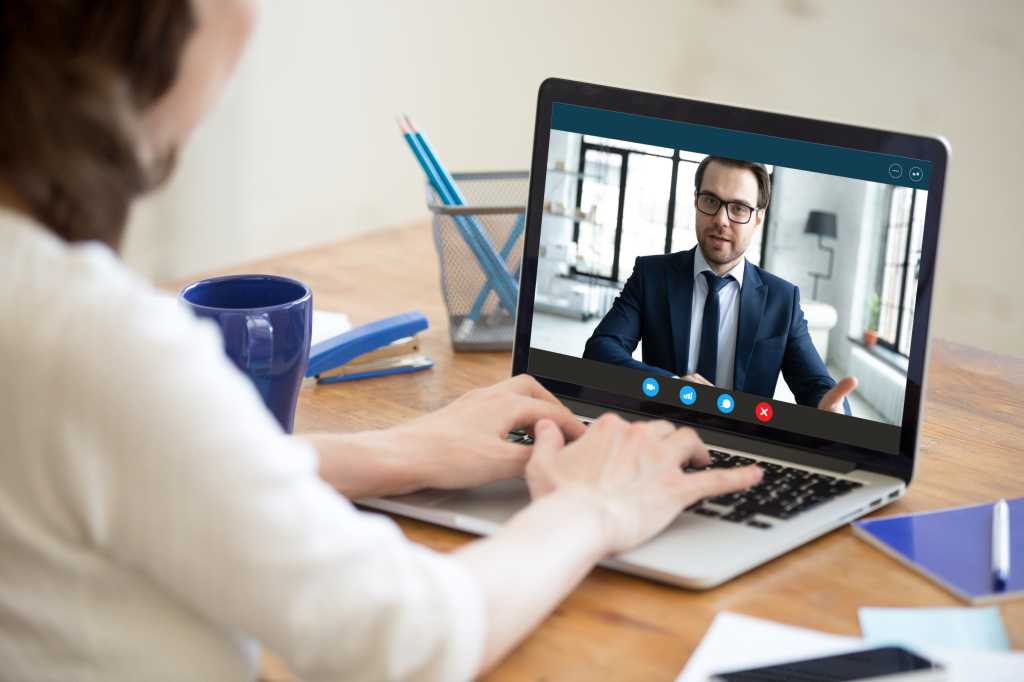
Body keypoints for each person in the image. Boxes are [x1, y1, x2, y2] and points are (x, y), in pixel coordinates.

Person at [0, 2, 763, 680]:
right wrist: (591, 508)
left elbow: (138, 467)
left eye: (740, 209)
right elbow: (405, 640)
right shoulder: (91, 343)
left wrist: (391, 452)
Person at [583, 156, 855, 415]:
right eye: (711, 200)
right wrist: (672, 386)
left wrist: (832, 411)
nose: (721, 220)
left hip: (741, 439)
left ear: (758, 218)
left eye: (739, 208)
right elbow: (600, 350)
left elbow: (817, 386)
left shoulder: (782, 299)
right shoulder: (651, 275)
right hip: (660, 429)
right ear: (696, 201)